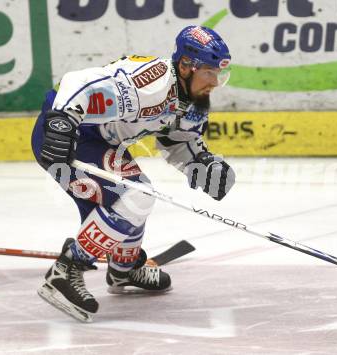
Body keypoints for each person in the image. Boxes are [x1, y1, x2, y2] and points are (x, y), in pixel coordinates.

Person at [30, 25, 235, 322]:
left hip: (99, 142)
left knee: (138, 197)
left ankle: (123, 270)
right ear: (186, 67)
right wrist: (63, 122)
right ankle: (65, 272)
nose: (215, 82)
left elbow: (179, 141)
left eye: (219, 74)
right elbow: (78, 82)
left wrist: (201, 163)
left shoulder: (193, 101)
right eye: (209, 73)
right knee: (134, 197)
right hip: (68, 138)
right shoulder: (149, 83)